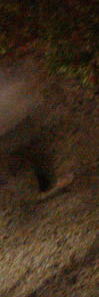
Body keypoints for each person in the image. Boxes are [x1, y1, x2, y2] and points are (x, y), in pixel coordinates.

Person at [0, 62, 69, 201]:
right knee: (35, 151)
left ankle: (45, 187)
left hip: (10, 122)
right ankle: (46, 187)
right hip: (11, 122)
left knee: (32, 152)